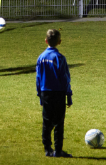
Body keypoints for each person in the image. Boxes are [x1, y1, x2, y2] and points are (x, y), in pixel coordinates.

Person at [35, 29, 73, 158]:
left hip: (45, 92)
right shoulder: (60, 58)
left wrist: (39, 95)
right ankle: (58, 150)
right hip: (58, 93)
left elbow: (38, 78)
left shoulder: (41, 57)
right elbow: (65, 78)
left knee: (46, 122)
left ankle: (47, 149)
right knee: (59, 123)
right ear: (59, 42)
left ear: (45, 41)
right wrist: (69, 95)